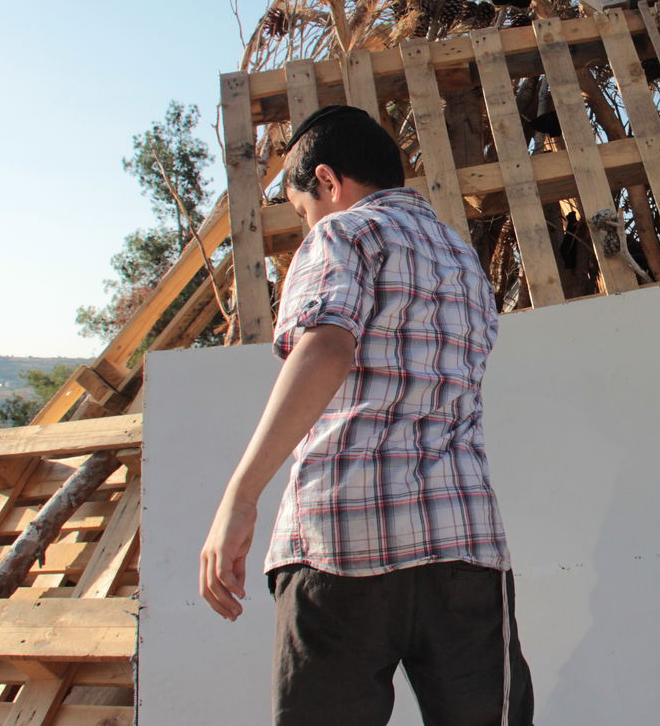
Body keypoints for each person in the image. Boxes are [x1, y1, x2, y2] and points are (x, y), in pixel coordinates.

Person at [199, 104, 534, 726]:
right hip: (462, 544)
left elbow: (326, 345)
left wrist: (239, 497)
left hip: (339, 545)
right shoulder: (462, 259)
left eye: (304, 210)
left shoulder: (342, 233)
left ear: (328, 181)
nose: (309, 225)